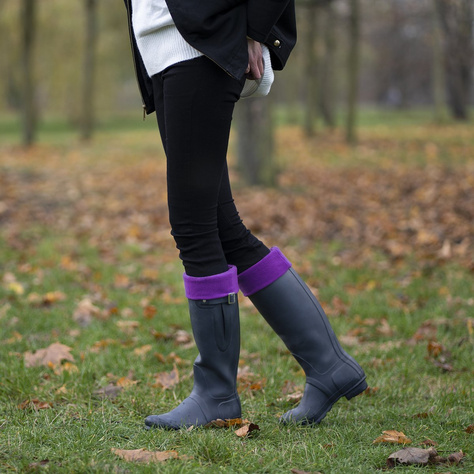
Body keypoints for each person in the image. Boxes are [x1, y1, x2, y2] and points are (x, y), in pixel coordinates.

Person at [123, 0, 367, 430]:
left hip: (200, 45)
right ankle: (329, 366)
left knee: (194, 226)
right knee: (221, 227)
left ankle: (216, 393)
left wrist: (255, 27)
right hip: (163, 49)